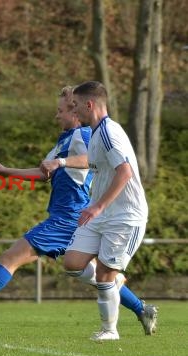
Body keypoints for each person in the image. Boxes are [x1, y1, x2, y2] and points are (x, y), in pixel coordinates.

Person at [0, 86, 157, 337]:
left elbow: (89, 161)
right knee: (100, 274)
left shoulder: (83, 134)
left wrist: (62, 163)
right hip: (70, 217)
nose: (57, 116)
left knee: (11, 258)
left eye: (61, 110)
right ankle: (142, 309)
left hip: (69, 217)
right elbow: (43, 173)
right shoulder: (64, 141)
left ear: (76, 111)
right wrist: (7, 172)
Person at [63, 81, 151, 341]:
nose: (73, 109)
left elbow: (124, 173)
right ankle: (115, 283)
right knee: (73, 263)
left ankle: (109, 330)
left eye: (76, 105)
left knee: (103, 273)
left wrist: (98, 205)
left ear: (89, 105)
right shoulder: (95, 133)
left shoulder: (109, 134)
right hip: (102, 214)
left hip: (125, 216)